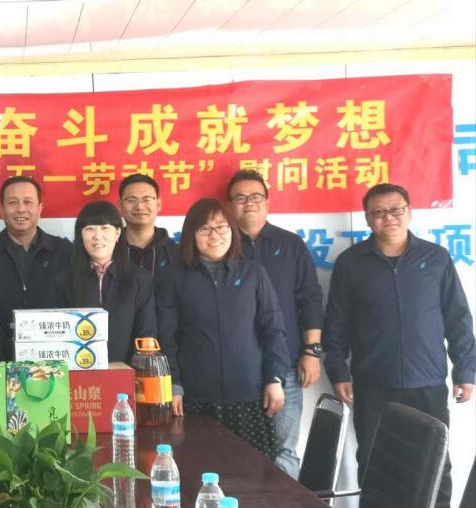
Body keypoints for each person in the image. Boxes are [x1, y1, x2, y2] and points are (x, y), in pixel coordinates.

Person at [323, 183, 475, 507]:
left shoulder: (436, 258)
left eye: (396, 210)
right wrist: (337, 371)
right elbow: (336, 323)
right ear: (367, 218)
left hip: (427, 382)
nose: (388, 218)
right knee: (375, 464)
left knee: (435, 465)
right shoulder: (351, 263)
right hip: (374, 383)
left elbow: (458, 317)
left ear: (409, 212)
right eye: (378, 212)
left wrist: (465, 370)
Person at [155, 198, 288, 459]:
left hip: (248, 394)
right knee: (199, 470)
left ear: (232, 231)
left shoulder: (253, 273)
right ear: (191, 235)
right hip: (194, 397)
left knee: (252, 474)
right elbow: (166, 337)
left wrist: (274, 378)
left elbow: (273, 329)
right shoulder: (173, 277)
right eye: (204, 229)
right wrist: (174, 385)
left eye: (221, 227)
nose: (214, 235)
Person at [226, 170, 324, 479]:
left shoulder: (290, 244)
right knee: (235, 451)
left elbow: (310, 298)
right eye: (241, 198)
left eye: (256, 197)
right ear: (229, 205)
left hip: (286, 366)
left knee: (283, 449)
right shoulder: (220, 245)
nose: (249, 203)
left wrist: (312, 351)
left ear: (267, 202)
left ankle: (285, 500)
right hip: (236, 369)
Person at [0, 176, 74, 360]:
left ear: (40, 208)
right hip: (0, 359)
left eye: (28, 202)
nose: (21, 209)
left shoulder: (65, 252)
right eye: (13, 203)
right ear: (1, 210)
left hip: (55, 356)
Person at [56, 201, 156, 364]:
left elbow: (146, 333)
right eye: (90, 229)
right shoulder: (63, 279)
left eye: (105, 228)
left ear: (117, 233)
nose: (97, 236)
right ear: (80, 235)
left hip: (126, 372)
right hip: (77, 372)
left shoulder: (139, 279)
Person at [118, 174, 177, 273]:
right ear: (120, 206)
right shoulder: (108, 251)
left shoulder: (177, 254)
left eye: (146, 200)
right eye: (131, 200)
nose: (139, 206)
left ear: (158, 205)